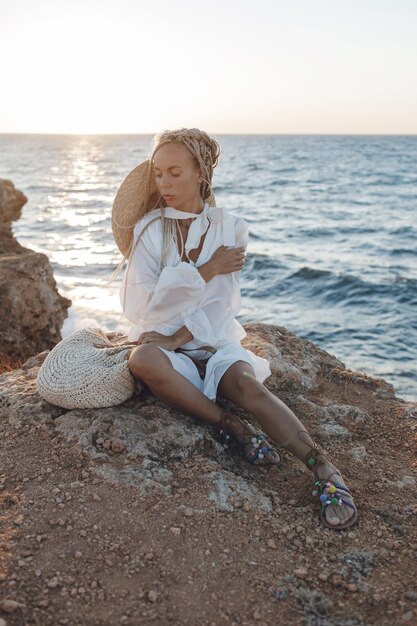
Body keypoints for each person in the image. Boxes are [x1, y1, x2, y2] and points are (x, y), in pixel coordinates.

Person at [110, 128, 358, 531]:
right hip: (164, 347)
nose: (165, 183)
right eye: (158, 174)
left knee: (248, 387)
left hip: (211, 337)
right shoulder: (150, 229)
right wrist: (205, 270)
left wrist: (180, 327)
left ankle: (325, 470)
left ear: (200, 173)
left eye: (175, 172)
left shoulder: (230, 228)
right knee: (143, 359)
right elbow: (141, 306)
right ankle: (231, 425)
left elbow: (218, 305)